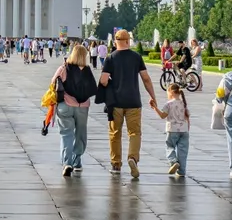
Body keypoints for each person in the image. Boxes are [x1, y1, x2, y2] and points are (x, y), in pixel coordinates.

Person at [100, 30, 159, 179]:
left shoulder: (110, 59)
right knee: (134, 133)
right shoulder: (136, 57)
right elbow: (146, 78)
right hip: (133, 102)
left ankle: (116, 164)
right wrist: (153, 96)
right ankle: (132, 158)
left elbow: (103, 80)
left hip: (116, 103)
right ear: (128, 41)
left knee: (115, 134)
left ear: (116, 41)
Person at [52, 45, 97, 176]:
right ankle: (77, 161)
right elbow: (93, 88)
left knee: (66, 134)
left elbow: (53, 83)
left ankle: (67, 163)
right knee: (80, 133)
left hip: (65, 105)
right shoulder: (87, 70)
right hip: (82, 107)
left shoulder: (64, 68)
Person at [153, 83, 190, 177]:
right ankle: (181, 171)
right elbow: (187, 118)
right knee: (183, 151)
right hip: (184, 131)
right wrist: (187, 128)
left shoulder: (168, 104)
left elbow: (162, 116)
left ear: (171, 93)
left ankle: (173, 162)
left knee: (169, 146)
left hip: (172, 130)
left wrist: (155, 108)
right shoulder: (184, 103)